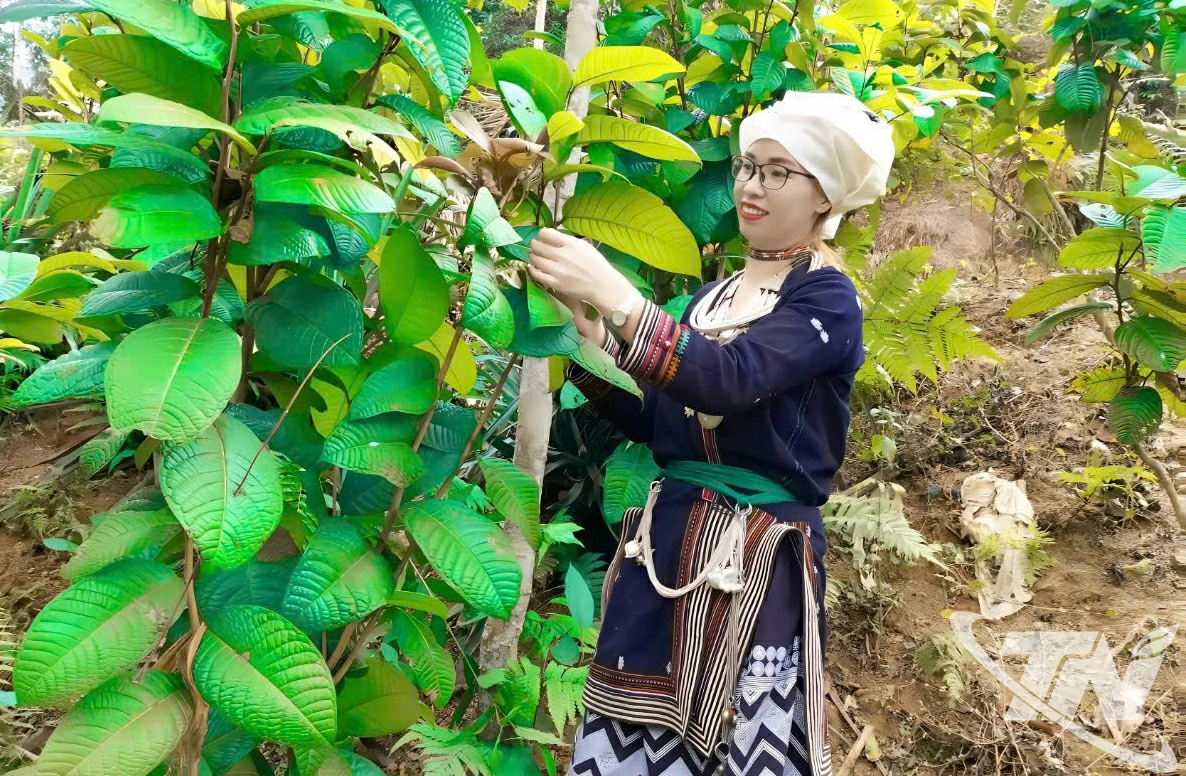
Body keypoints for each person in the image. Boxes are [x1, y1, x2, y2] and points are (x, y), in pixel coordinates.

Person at [526, 91, 896, 776]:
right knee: (626, 738)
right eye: (748, 166)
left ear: (824, 198)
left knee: (740, 739)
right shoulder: (709, 299)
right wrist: (587, 346)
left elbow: (727, 378)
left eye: (779, 171)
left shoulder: (825, 299)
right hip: (665, 548)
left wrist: (617, 294)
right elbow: (662, 420)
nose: (753, 185)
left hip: (754, 555)